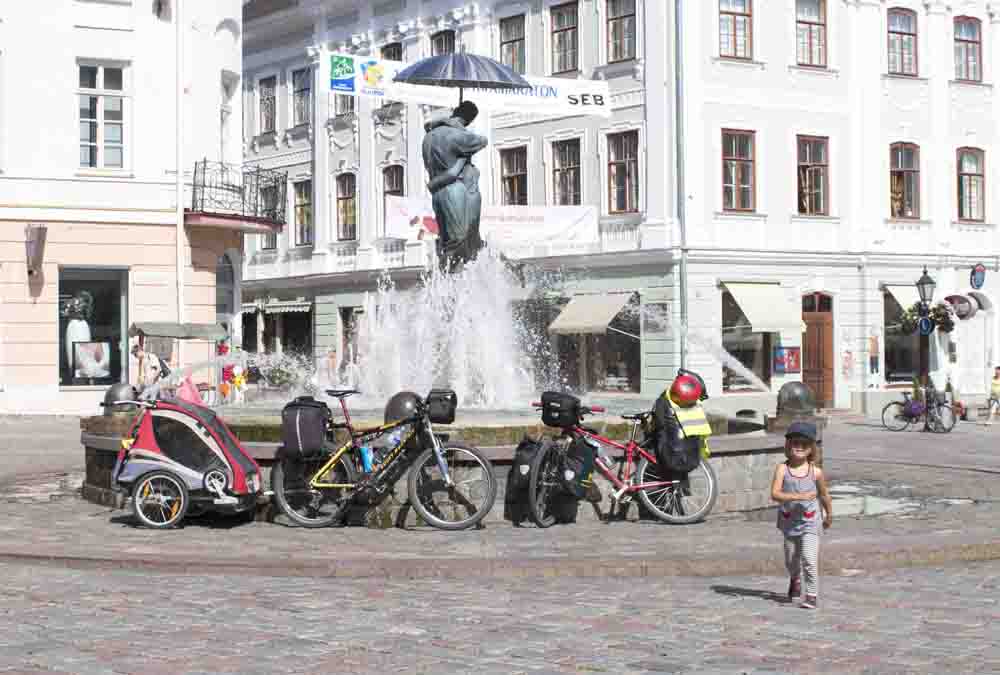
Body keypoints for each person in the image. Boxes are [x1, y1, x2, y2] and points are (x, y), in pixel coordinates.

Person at [770, 421, 832, 609]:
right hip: (789, 520)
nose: (799, 447)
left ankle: (811, 595)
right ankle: (795, 578)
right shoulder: (782, 469)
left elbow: (824, 495)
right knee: (791, 559)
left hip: (810, 520)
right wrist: (799, 496)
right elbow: (774, 494)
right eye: (795, 443)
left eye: (804, 444)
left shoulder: (816, 472)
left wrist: (829, 514)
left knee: (808, 558)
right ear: (788, 446)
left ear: (811, 448)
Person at [422, 100, 488, 272]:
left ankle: (444, 286)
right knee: (459, 242)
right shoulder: (455, 135)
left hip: (437, 192)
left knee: (447, 242)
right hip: (454, 190)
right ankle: (453, 287)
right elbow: (482, 141)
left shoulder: (428, 136)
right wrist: (459, 128)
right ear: (468, 119)